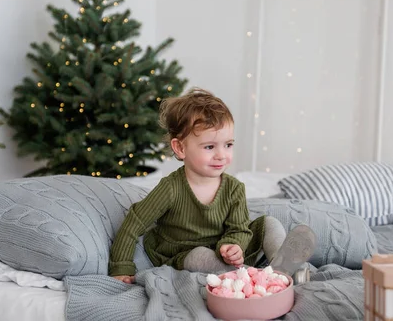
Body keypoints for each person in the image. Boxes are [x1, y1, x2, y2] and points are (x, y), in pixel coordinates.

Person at [108, 87, 289, 283]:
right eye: (210, 147)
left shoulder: (234, 188)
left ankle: (283, 267)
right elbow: (133, 223)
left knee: (269, 223)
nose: (221, 155)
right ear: (180, 148)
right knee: (199, 256)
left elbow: (239, 229)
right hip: (182, 254)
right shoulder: (171, 188)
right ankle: (255, 277)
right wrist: (121, 267)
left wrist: (233, 245)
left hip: (224, 252)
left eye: (228, 144)